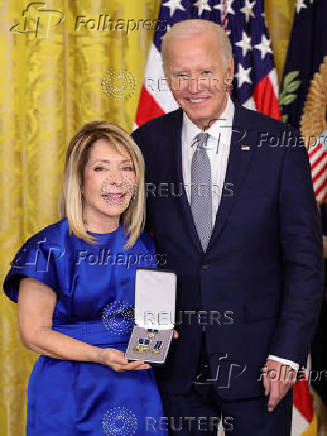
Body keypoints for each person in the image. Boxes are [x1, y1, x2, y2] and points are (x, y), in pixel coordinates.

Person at [132, 19, 323, 436]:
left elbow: (305, 262)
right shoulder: (145, 144)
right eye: (181, 75)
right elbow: (134, 248)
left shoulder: (280, 145)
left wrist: (287, 356)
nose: (194, 86)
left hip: (260, 367)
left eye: (205, 73)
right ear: (167, 78)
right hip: (173, 366)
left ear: (229, 70)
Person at [3, 121, 168, 436]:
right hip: (69, 394)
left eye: (126, 168)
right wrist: (99, 355)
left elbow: (147, 320)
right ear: (78, 180)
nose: (116, 180)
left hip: (134, 390)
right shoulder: (48, 247)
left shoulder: (145, 245)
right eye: (101, 169)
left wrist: (159, 332)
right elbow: (33, 333)